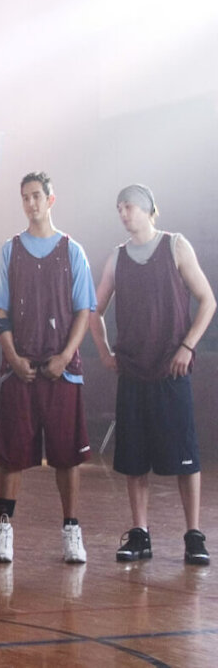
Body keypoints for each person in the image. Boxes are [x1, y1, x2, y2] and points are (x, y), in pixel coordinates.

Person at [89, 184, 215, 565]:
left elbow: (208, 299)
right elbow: (94, 311)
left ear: (147, 210)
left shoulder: (176, 246)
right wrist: (105, 352)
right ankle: (140, 533)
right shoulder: (117, 258)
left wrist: (187, 345)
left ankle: (193, 535)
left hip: (171, 371)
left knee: (185, 458)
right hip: (133, 372)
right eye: (118, 209)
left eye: (128, 207)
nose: (123, 214)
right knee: (133, 459)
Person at [0, 171, 95, 565]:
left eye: (36, 196)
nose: (31, 203)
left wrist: (66, 355)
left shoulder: (73, 251)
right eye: (25, 197)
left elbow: (84, 310)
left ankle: (71, 530)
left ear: (51, 199)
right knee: (11, 455)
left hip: (62, 369)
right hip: (21, 367)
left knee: (67, 456)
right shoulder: (10, 251)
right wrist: (12, 356)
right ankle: (4, 530)